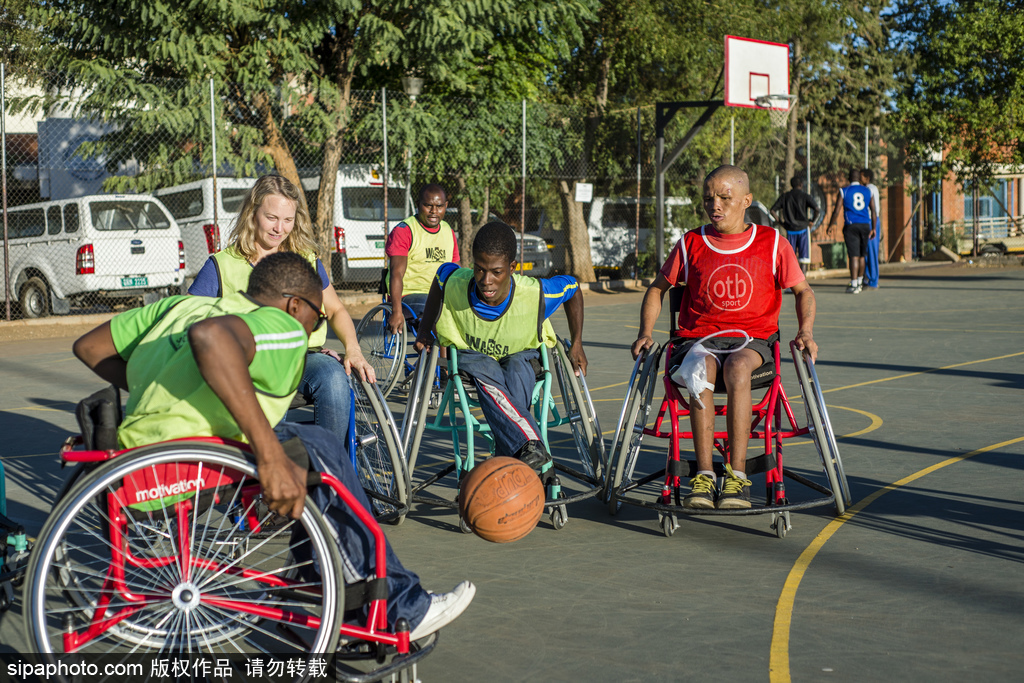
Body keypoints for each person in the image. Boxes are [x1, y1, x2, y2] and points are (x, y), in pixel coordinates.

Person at [72, 252, 475, 641]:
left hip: (133, 463)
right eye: (317, 318)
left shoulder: (177, 307)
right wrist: (268, 456)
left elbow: (89, 347)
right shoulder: (279, 323)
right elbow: (210, 339)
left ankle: (313, 587)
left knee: (307, 446)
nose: (313, 328)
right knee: (319, 448)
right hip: (190, 462)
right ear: (296, 305)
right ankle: (402, 606)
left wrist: (164, 388)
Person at [632, 165, 817, 510]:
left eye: (724, 198)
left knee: (737, 367)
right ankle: (704, 476)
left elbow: (803, 290)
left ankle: (737, 476)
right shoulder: (690, 243)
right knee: (699, 368)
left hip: (752, 341)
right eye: (708, 198)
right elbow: (657, 289)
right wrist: (645, 332)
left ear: (746, 201)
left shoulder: (772, 243)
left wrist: (805, 330)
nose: (714, 205)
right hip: (698, 340)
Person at [189, 174, 374, 442]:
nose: (279, 228)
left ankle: (328, 460)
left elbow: (335, 310)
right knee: (268, 387)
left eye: (288, 220)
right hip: (248, 362)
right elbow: (189, 316)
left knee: (333, 376)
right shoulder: (221, 265)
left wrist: (353, 350)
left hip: (302, 357)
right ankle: (269, 458)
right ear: (252, 213)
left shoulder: (306, 258)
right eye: (271, 218)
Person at [414, 221, 587, 469]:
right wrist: (424, 331)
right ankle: (529, 446)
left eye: (496, 272)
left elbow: (573, 287)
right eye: (479, 269)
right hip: (473, 357)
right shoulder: (455, 282)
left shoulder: (536, 293)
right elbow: (441, 276)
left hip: (520, 354)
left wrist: (577, 343)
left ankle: (513, 456)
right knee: (485, 367)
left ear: (512, 268)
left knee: (517, 372)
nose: (486, 280)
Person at [385, 184, 460, 334]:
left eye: (439, 206)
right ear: (418, 204)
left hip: (440, 295)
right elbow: (396, 273)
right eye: (428, 205)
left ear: (446, 206)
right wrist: (397, 311)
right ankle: (435, 347)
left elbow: (456, 271)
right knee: (438, 309)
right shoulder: (404, 230)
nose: (434, 211)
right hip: (408, 297)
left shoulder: (448, 231)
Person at [829, 169, 877, 294]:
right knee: (862, 255)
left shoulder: (844, 191)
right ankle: (860, 281)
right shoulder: (868, 191)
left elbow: (837, 210)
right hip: (865, 225)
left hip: (851, 225)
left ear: (849, 178)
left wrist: (830, 225)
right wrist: (874, 228)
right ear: (859, 178)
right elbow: (873, 211)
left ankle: (854, 283)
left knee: (853, 256)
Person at [770, 175, 820, 275]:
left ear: (791, 185)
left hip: (790, 230)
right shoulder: (805, 196)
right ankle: (802, 281)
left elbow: (772, 210)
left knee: (790, 257)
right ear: (801, 184)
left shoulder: (785, 196)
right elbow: (817, 209)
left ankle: (790, 280)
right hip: (803, 230)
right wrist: (812, 221)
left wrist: (781, 223)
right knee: (804, 258)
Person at [861, 168, 882, 289]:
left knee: (872, 251)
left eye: (862, 176)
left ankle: (873, 280)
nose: (860, 178)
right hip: (868, 221)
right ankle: (867, 278)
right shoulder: (868, 188)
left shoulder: (870, 189)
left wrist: (873, 226)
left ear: (867, 178)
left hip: (871, 221)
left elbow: (873, 210)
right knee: (866, 251)